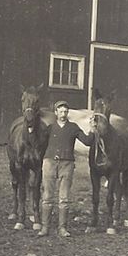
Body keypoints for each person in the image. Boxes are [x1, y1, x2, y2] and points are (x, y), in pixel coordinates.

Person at [39, 100, 94, 237]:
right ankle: (45, 228)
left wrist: (92, 129)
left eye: (65, 112)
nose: (63, 114)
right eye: (60, 111)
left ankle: (62, 228)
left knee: (63, 198)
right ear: (56, 113)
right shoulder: (50, 128)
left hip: (67, 164)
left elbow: (87, 141)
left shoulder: (73, 128)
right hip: (50, 163)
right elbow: (39, 144)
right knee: (47, 196)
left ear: (67, 113)